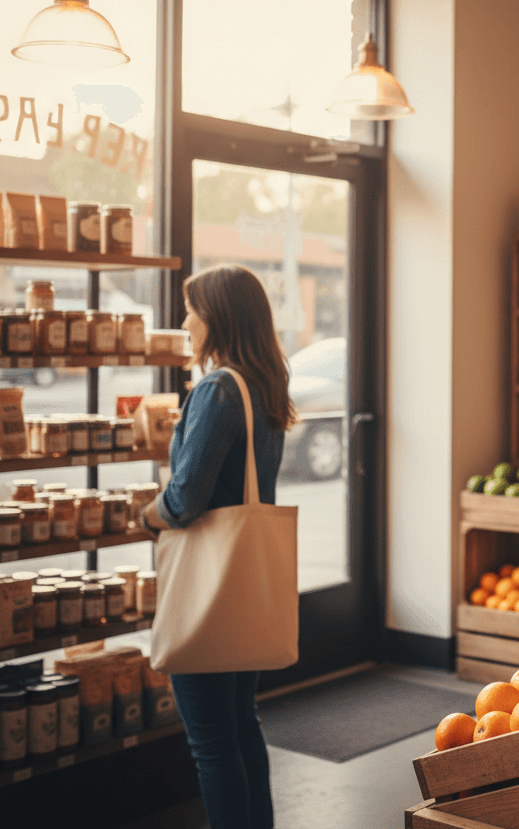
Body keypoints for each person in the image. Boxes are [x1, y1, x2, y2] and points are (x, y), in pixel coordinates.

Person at [142, 264, 298, 829]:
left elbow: (185, 499)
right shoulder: (264, 386)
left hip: (207, 589)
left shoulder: (216, 389)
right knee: (241, 725)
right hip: (245, 585)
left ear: (218, 319)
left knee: (211, 741)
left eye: (193, 310)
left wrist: (146, 514)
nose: (185, 321)